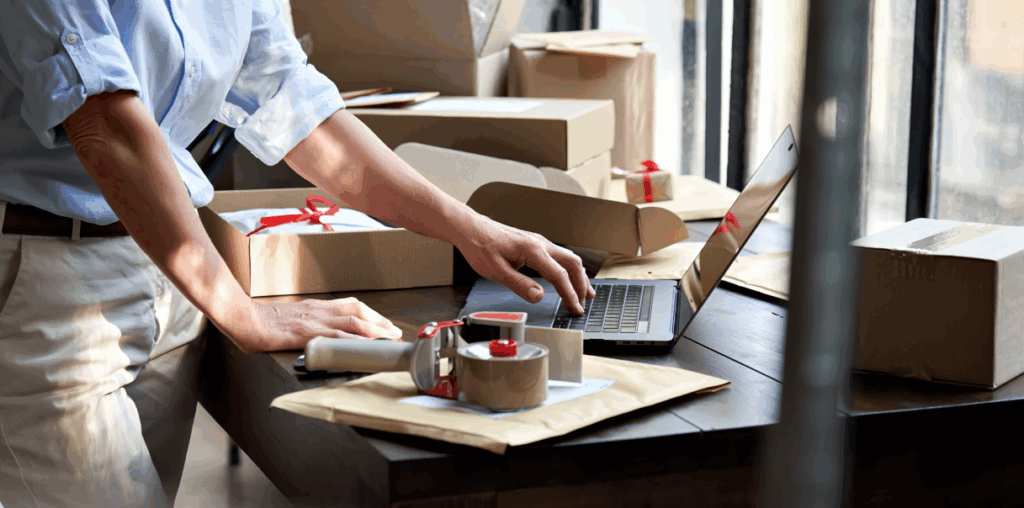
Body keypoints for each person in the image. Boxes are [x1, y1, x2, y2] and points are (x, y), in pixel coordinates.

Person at [0, 1, 593, 506]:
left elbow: (297, 105)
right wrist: (244, 312)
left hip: (165, 269)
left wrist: (471, 229)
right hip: (51, 284)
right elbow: (104, 121)